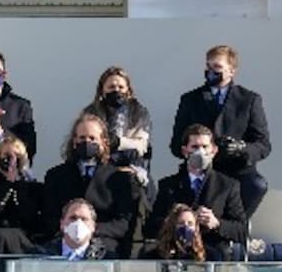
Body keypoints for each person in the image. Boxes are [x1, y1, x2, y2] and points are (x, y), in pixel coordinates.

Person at [171, 45, 271, 218]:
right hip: (201, 168)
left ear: (232, 71)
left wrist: (241, 148)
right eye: (208, 67)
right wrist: (196, 152)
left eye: (217, 67)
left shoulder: (249, 99)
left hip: (237, 169)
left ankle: (235, 229)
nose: (211, 71)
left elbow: (263, 145)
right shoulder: (190, 99)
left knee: (257, 185)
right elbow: (175, 144)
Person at [41, 113, 135, 258]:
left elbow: (123, 222)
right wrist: (70, 229)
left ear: (103, 142)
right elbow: (49, 216)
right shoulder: (55, 176)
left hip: (104, 244)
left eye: (92, 138)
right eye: (82, 138)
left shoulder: (119, 178)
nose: (87, 142)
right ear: (74, 141)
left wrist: (89, 229)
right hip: (64, 240)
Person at [149, 124, 246, 257]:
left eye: (205, 147)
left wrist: (217, 223)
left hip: (212, 252)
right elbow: (151, 225)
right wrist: (176, 222)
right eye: (194, 147)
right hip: (177, 251)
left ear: (214, 150)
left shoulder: (227, 185)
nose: (200, 152)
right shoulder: (168, 185)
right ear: (185, 151)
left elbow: (241, 230)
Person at [82, 66, 153, 188]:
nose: (116, 90)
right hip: (100, 163)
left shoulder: (139, 112)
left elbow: (141, 146)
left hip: (132, 163)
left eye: (121, 87)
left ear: (128, 90)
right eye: (111, 87)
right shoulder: (92, 111)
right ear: (102, 90)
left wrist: (118, 142)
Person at [0, 135, 43, 255]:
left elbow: (28, 217)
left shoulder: (31, 186)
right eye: (7, 156)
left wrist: (18, 185)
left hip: (22, 237)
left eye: (16, 156)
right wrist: (7, 184)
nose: (12, 161)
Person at [0, 49, 36, 159]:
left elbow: (29, 150)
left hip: (6, 172)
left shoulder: (21, 106)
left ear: (4, 75)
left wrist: (1, 134)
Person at [33, 199, 113, 261]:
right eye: (73, 218)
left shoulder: (107, 258)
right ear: (62, 224)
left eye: (84, 219)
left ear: (93, 226)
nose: (78, 223)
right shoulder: (40, 254)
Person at [143, 203, 223, 262]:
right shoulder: (154, 255)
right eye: (181, 223)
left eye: (190, 223)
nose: (186, 227)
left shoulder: (210, 255)